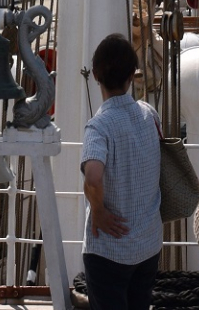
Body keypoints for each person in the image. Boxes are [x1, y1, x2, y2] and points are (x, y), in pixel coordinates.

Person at [81, 34, 163, 310]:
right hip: (148, 245)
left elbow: (93, 176)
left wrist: (99, 211)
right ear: (132, 74)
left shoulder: (99, 126)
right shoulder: (149, 114)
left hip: (110, 251)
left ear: (95, 75)